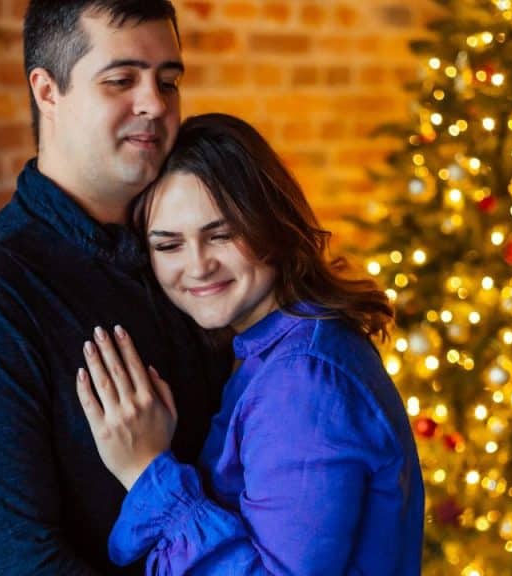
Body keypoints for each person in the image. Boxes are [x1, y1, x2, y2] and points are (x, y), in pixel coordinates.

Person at [0, 2, 228, 574]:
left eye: (169, 81)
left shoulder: (190, 265)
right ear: (46, 91)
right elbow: (17, 564)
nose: (155, 105)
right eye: (121, 80)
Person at [75, 113, 425, 575]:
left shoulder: (301, 382)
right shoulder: (269, 351)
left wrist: (145, 470)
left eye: (221, 235)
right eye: (168, 245)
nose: (197, 266)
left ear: (271, 225)